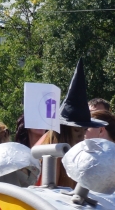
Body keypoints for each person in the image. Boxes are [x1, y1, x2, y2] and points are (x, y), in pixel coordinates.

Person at [36, 59, 106, 188]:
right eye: (76, 130)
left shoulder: (79, 155)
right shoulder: (49, 154)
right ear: (63, 130)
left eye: (84, 130)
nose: (81, 136)